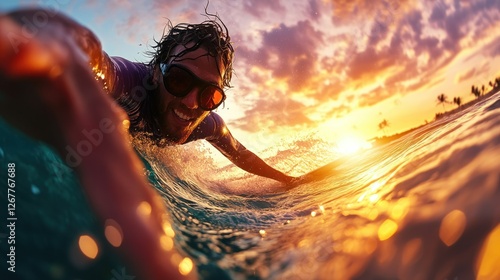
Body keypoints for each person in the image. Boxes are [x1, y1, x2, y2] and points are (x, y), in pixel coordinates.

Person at [0, 7, 297, 280]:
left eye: (210, 95)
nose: (191, 103)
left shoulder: (207, 125)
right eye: (180, 80)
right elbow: (88, 56)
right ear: (157, 71)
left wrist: (288, 180)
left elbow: (242, 155)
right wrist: (55, 42)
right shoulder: (129, 83)